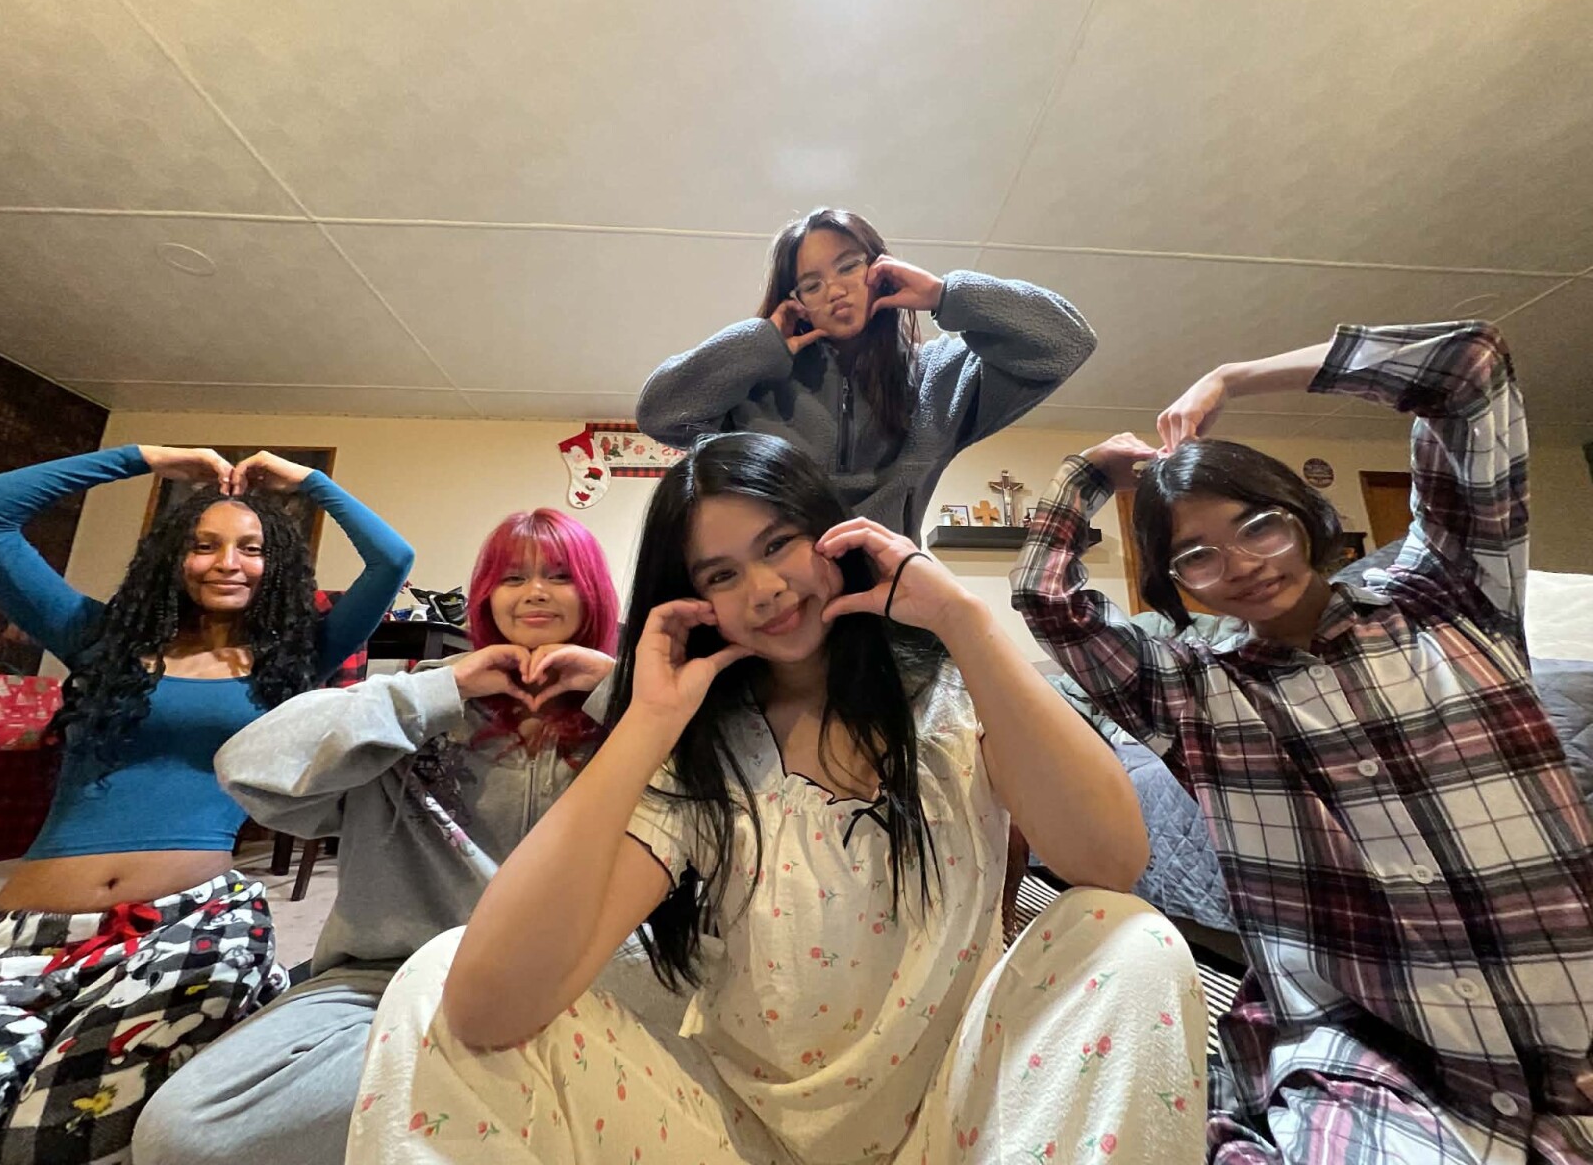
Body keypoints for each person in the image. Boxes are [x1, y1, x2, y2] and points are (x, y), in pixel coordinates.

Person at [345, 432, 1208, 1164]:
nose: (762, 589)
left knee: (1127, 937)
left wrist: (965, 622)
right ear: (693, 603)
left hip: (961, 1122)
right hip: (737, 1139)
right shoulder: (705, 758)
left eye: (779, 544)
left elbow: (1109, 862)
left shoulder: (955, 698)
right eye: (720, 575)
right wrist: (648, 722)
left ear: (833, 536)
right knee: (434, 980)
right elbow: (486, 1007)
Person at [1011, 322, 1593, 1163]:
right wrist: (1087, 476)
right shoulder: (1193, 690)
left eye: (1258, 526)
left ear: (1305, 516)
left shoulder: (1448, 593)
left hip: (1569, 1004)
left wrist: (1236, 373)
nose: (1243, 564)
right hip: (1373, 1050)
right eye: (1198, 556)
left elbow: (1471, 367)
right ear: (1177, 584)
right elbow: (1046, 600)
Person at [133, 508, 620, 1165]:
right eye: (513, 578)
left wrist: (615, 692)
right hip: (386, 978)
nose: (534, 592)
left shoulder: (633, 716)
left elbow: (729, 798)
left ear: (592, 591)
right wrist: (443, 688)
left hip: (582, 983)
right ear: (485, 596)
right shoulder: (414, 703)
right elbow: (245, 767)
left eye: (559, 576)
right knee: (186, 1134)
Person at [0, 445, 412, 1165]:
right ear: (172, 556)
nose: (228, 563)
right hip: (34, 930)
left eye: (251, 548)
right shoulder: (100, 640)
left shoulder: (291, 660)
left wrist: (308, 482)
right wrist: (145, 458)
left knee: (54, 1138)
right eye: (204, 544)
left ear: (275, 564)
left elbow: (391, 559)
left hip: (193, 923)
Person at [636, 207, 1096, 539]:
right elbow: (659, 414)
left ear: (880, 268)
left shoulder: (939, 375)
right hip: (781, 599)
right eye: (811, 284)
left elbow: (1067, 341)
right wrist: (760, 343)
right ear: (796, 302)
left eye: (848, 266)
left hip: (890, 609)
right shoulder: (756, 383)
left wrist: (946, 295)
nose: (834, 290)